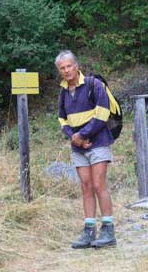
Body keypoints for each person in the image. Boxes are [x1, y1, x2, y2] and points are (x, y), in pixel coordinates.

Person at [55, 50, 117, 249]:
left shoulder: (93, 85)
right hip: (78, 147)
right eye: (62, 68)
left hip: (98, 143)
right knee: (86, 187)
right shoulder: (63, 92)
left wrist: (83, 135)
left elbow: (103, 113)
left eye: (69, 66)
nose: (66, 70)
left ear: (76, 66)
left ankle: (108, 230)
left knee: (99, 185)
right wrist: (75, 139)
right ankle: (89, 231)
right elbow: (62, 120)